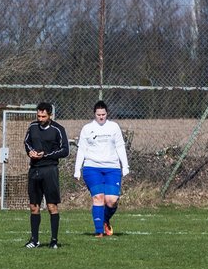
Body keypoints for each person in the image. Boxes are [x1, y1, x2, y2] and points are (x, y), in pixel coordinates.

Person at [74, 99, 130, 237]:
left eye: (103, 114)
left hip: (112, 168)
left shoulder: (114, 127)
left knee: (111, 201)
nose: (101, 117)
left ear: (107, 114)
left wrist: (125, 166)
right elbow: (81, 149)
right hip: (92, 168)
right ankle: (99, 231)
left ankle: (105, 220)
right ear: (94, 114)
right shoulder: (87, 129)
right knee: (98, 197)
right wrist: (77, 169)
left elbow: (120, 147)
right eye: (98, 114)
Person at [23, 101, 70, 249]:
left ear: (50, 115)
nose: (40, 119)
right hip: (34, 169)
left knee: (51, 206)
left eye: (43, 116)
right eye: (38, 116)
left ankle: (54, 240)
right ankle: (34, 240)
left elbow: (65, 150)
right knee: (33, 206)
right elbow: (27, 142)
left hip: (50, 170)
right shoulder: (32, 127)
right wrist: (30, 151)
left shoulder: (58, 129)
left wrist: (46, 155)